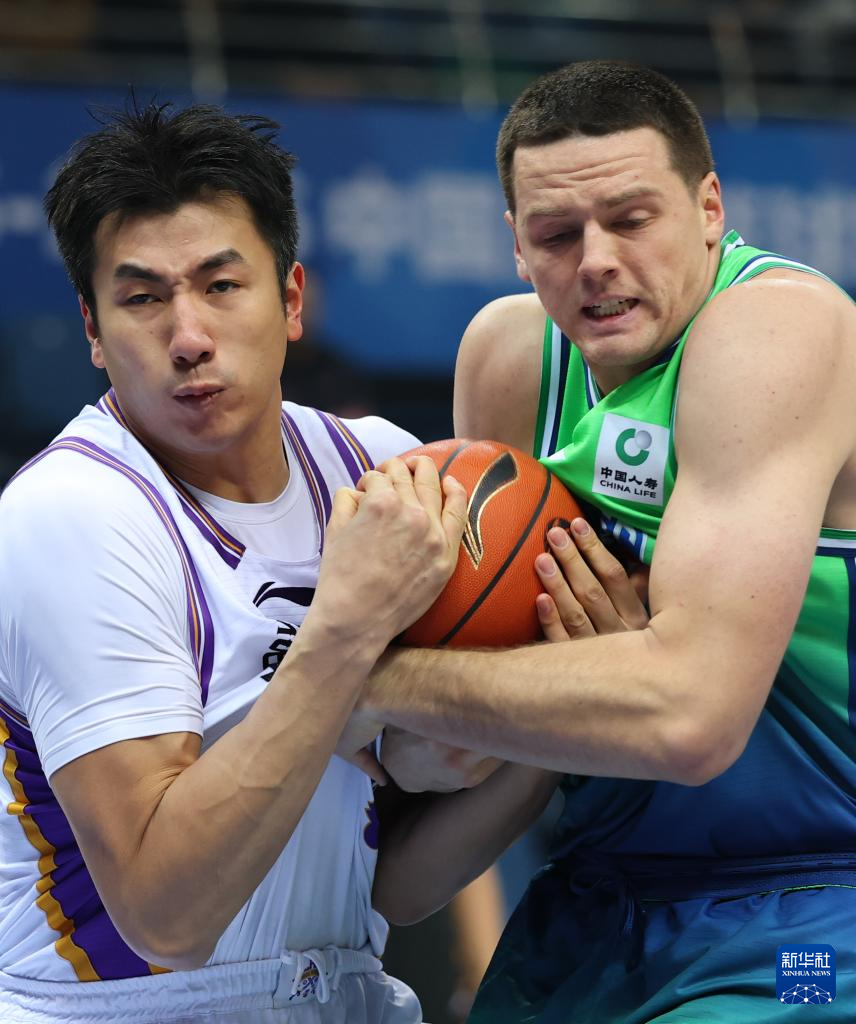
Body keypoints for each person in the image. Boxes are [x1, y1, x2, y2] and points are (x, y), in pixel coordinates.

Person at [0, 100, 523, 1024]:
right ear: (92, 330)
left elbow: (401, 884)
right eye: (142, 298)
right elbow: (166, 915)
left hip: (347, 986)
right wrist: (346, 633)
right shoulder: (70, 513)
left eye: (221, 285)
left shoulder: (383, 468)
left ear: (290, 300)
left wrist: (537, 734)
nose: (188, 336)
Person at [355, 60, 856, 1021]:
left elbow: (690, 718)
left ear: (709, 209)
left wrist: (360, 677)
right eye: (557, 234)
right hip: (594, 897)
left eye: (632, 220)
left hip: (811, 909)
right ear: (516, 244)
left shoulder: (776, 329)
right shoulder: (508, 361)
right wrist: (546, 700)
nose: (596, 260)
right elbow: (410, 872)